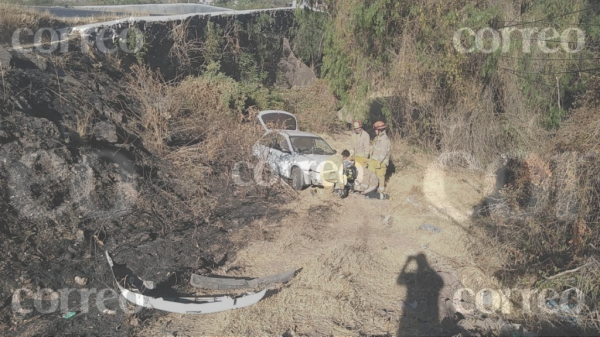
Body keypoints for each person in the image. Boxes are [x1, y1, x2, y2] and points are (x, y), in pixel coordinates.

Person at [369, 120, 391, 192]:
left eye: (375, 130)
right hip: (374, 160)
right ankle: (372, 188)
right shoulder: (378, 138)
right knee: (372, 175)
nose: (375, 131)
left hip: (381, 162)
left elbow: (383, 153)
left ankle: (381, 190)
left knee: (380, 176)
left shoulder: (384, 140)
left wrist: (379, 162)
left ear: (379, 130)